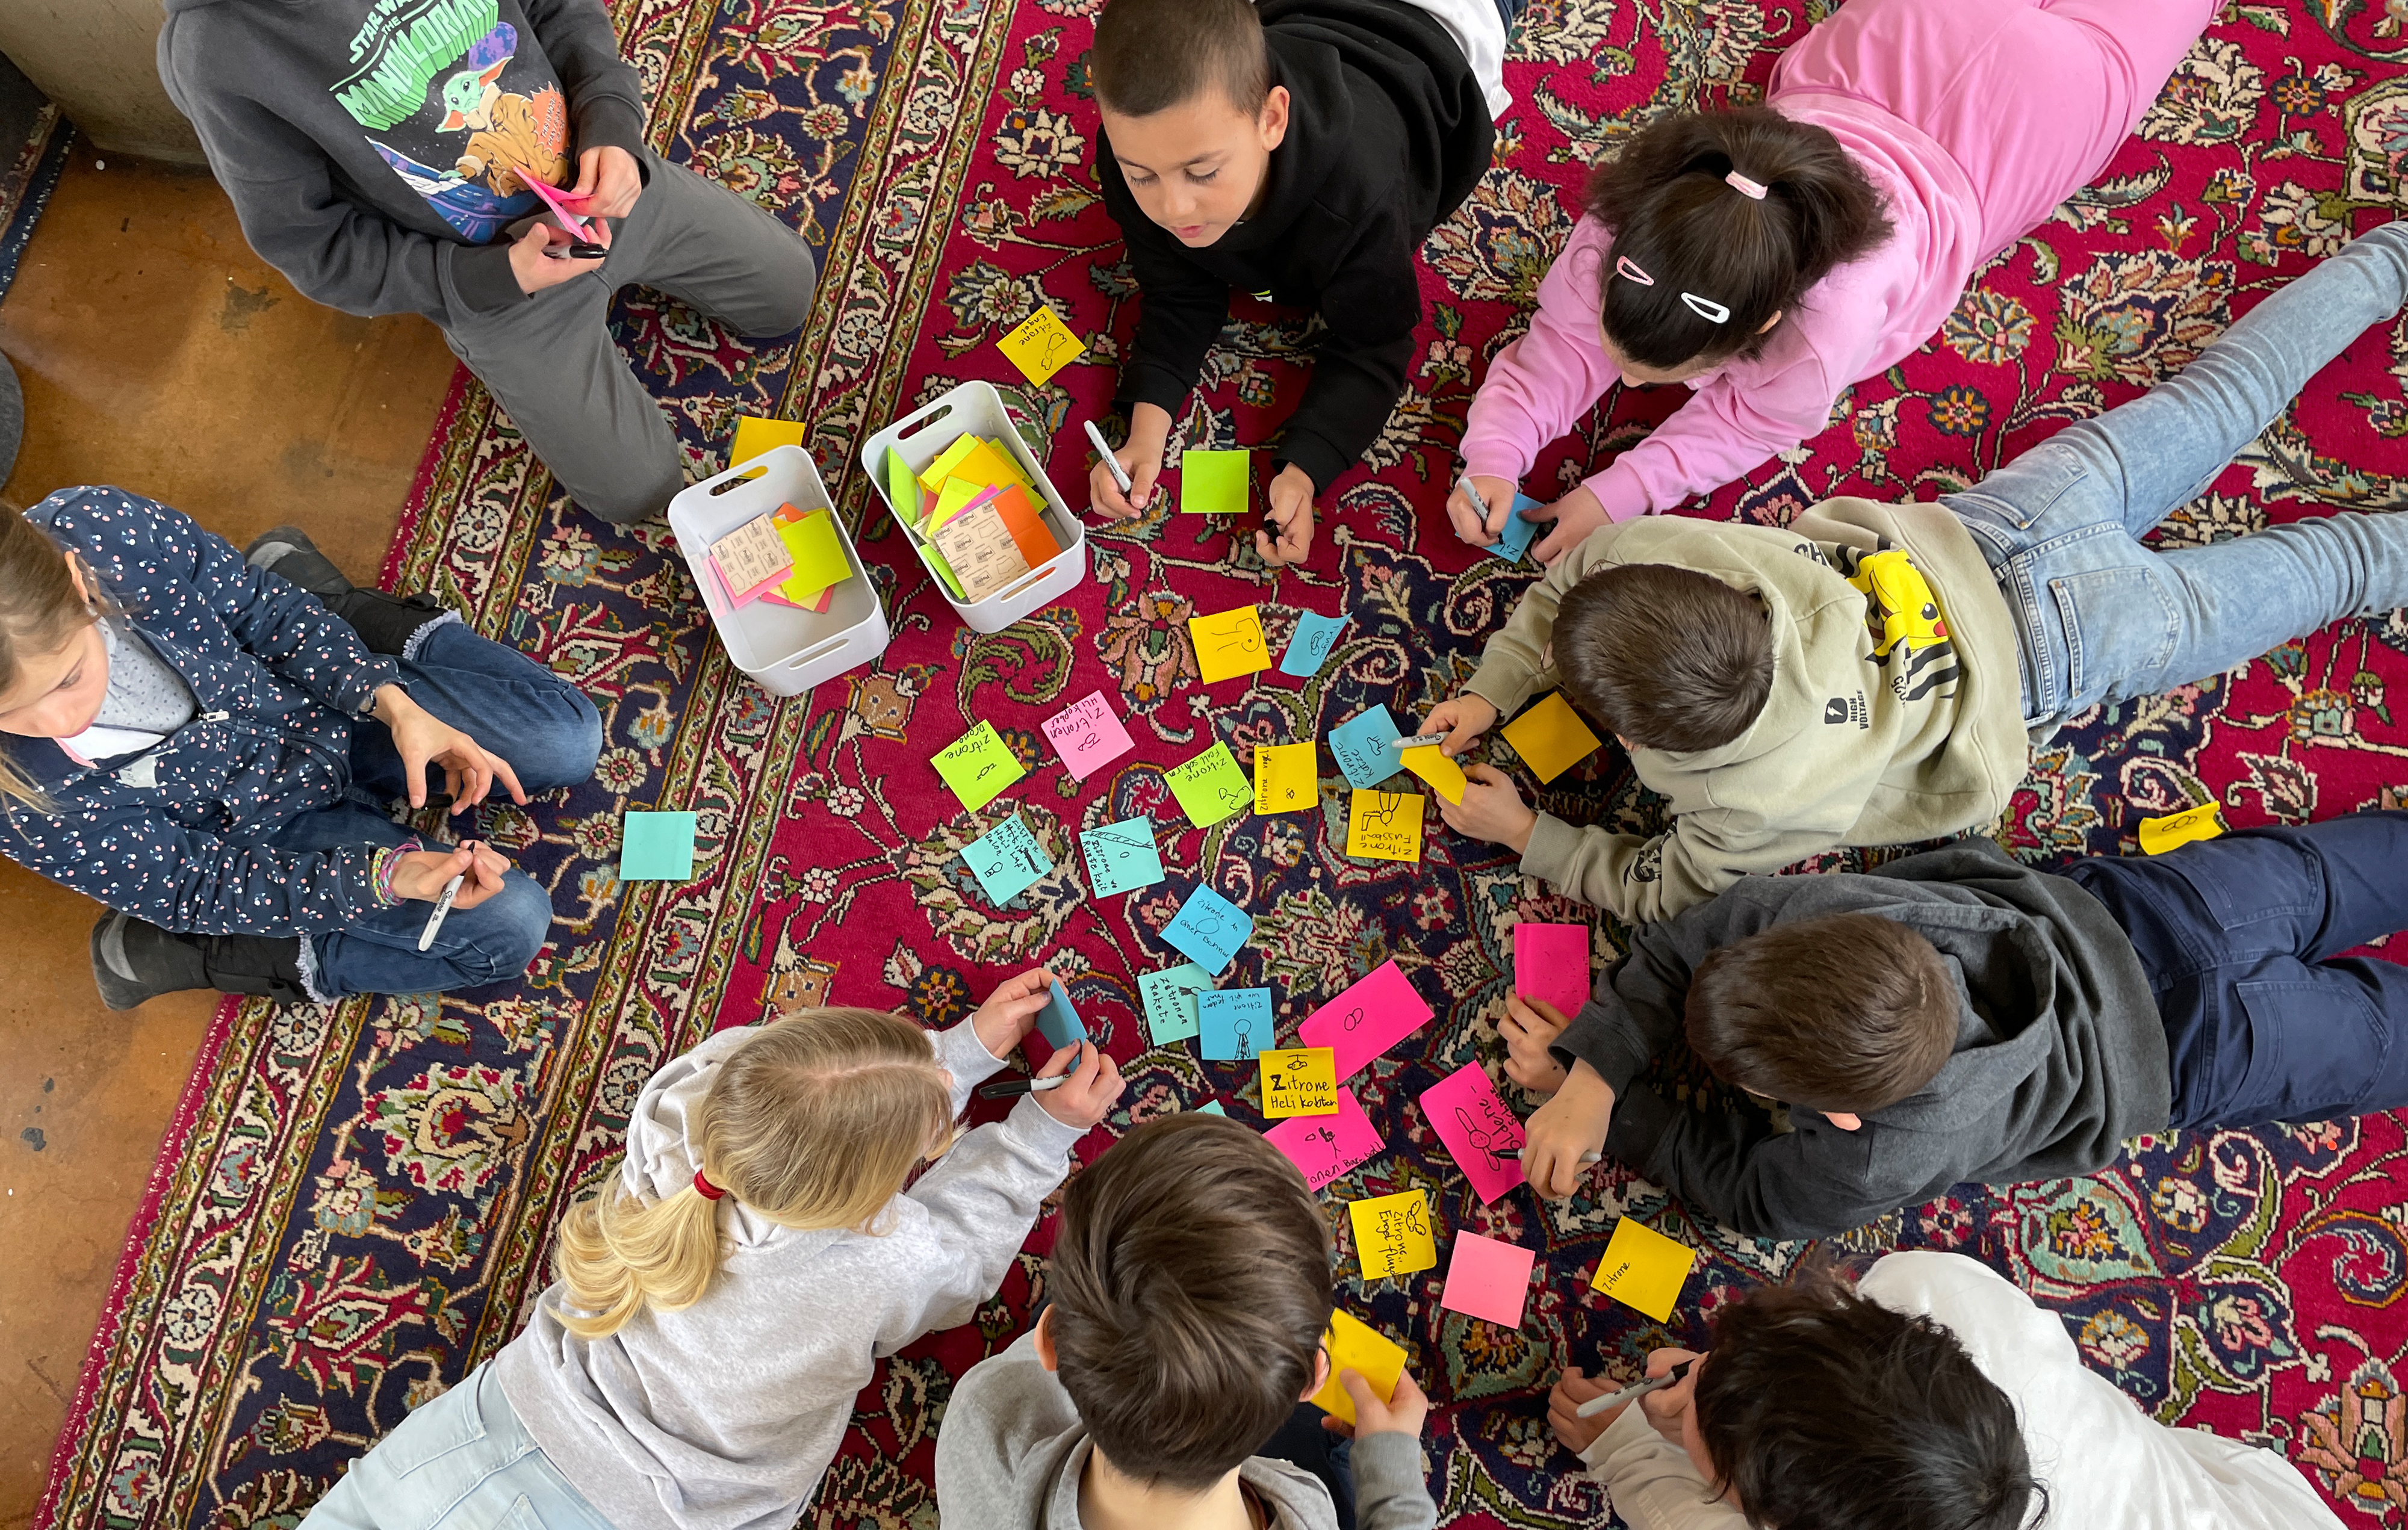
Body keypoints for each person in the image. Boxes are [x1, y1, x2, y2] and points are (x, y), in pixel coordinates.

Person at [1420, 219, 2408, 925]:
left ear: (1631, 736)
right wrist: (1494, 688)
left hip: (2068, 649)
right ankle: (2390, 254)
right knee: (2227, 393)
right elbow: (1584, 571)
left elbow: (1666, 890)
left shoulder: (1757, 802)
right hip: (2003, 526)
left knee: (2335, 565)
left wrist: (1527, 834)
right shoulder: (1683, 551)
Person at [300, 982, 1126, 1529]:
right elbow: (966, 1254)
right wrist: (1038, 1133)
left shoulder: (684, 1104)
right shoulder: (881, 1263)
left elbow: (793, 1078)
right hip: (646, 1511)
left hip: (493, 1425)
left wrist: (952, 1054)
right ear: (865, 1200)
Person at [1448, 0, 2218, 562]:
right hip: (1912, 34)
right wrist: (1494, 455)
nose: (1610, 376)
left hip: (2034, 109)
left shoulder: (1823, 331)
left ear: (1760, 331)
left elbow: (1747, 425)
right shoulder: (1627, 222)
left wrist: (1620, 491)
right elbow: (1563, 346)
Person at [1504, 815, 2408, 1242]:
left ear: (1839, 1117)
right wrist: (1594, 1076)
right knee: (2329, 878)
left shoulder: (1870, 1158)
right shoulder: (1867, 927)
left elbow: (1754, 1197)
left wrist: (1628, 1119)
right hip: (2167, 913)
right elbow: (1712, 930)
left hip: (2195, 1056)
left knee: (2377, 1035)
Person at [158, 0, 821, 526]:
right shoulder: (215, 51)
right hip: (499, 284)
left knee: (789, 292)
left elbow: (564, 13)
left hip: (606, 189)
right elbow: (315, 247)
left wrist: (612, 131)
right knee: (640, 493)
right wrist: (487, 280)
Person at [0, 491, 600, 1008]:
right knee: (513, 927)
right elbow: (199, 883)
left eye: (68, 677)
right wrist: (379, 879)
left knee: (572, 738)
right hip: (253, 836)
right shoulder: (19, 798)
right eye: (9, 714)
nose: (60, 720)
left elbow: (262, 610)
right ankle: (224, 953)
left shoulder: (102, 527)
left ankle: (349, 615)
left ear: (79, 582)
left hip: (317, 707)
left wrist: (390, 702)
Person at [1083, 0, 1506, 566]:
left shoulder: (1359, 202)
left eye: (1203, 172)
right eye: (1142, 176)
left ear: (1272, 119)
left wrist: (1306, 469)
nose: (1173, 206)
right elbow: (1177, 293)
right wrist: (1145, 430)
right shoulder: (1128, 156)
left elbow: (1375, 342)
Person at [1545, 1253, 2343, 1529]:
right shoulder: (1932, 1288)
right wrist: (1715, 1394)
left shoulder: (1938, 1295)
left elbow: (1681, 1510)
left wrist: (1623, 1446)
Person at [936, 1112, 1439, 1530]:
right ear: (1310, 1378)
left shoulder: (987, 1413)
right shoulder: (1308, 1514)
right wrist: (1393, 1485)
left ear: (1051, 1341)